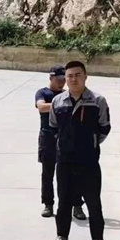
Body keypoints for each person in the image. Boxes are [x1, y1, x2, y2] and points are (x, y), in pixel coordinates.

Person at [44, 61, 111, 240]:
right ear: (65, 78)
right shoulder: (58, 101)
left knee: (93, 204)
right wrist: (65, 143)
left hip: (88, 162)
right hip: (65, 161)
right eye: (70, 76)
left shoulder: (97, 100)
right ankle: (62, 239)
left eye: (77, 75)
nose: (73, 79)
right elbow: (53, 127)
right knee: (63, 202)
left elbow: (104, 127)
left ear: (85, 76)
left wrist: (89, 143)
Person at [35, 65, 87, 219]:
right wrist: (60, 103)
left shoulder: (67, 94)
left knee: (73, 173)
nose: (61, 82)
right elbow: (41, 107)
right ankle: (48, 204)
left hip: (67, 138)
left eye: (64, 79)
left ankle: (77, 205)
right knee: (48, 173)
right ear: (51, 77)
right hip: (48, 137)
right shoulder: (43, 93)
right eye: (58, 79)